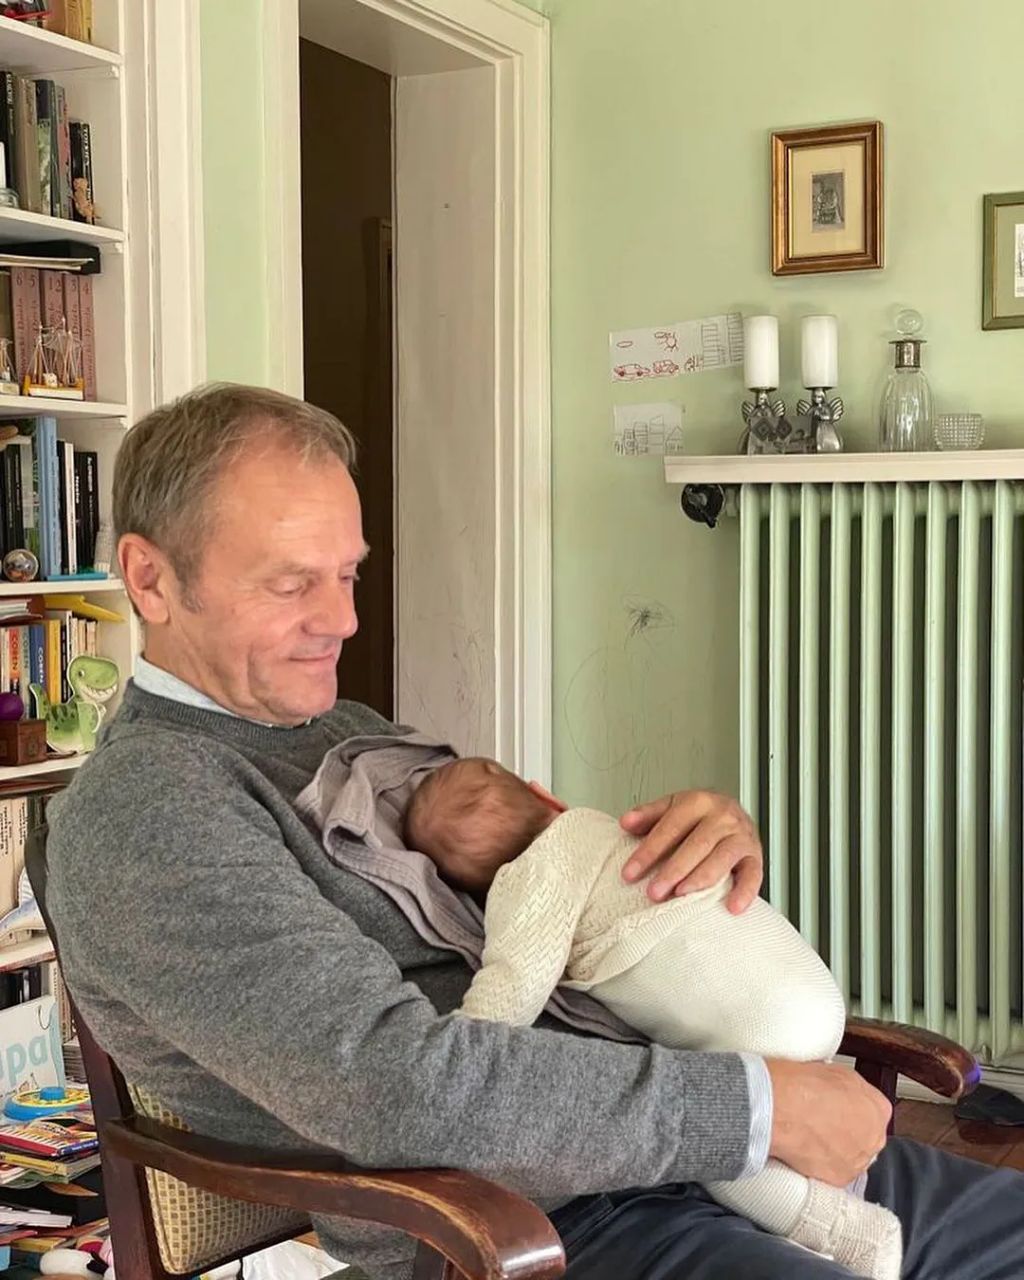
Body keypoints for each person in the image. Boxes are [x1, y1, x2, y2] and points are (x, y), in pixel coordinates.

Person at [45, 384, 1024, 1280]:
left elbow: (545, 888)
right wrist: (756, 1106)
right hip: (520, 1229)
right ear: (151, 578)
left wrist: (693, 853)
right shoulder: (148, 810)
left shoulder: (346, 731)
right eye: (292, 583)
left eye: (347, 574)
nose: (342, 620)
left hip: (687, 1149)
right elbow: (393, 1087)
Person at [401, 755, 898, 1279]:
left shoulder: (528, 878)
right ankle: (841, 1188)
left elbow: (513, 990)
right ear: (545, 796)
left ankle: (856, 1235)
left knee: (718, 1143)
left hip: (759, 1024)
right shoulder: (607, 829)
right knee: (781, 1115)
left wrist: (453, 1042)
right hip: (809, 988)